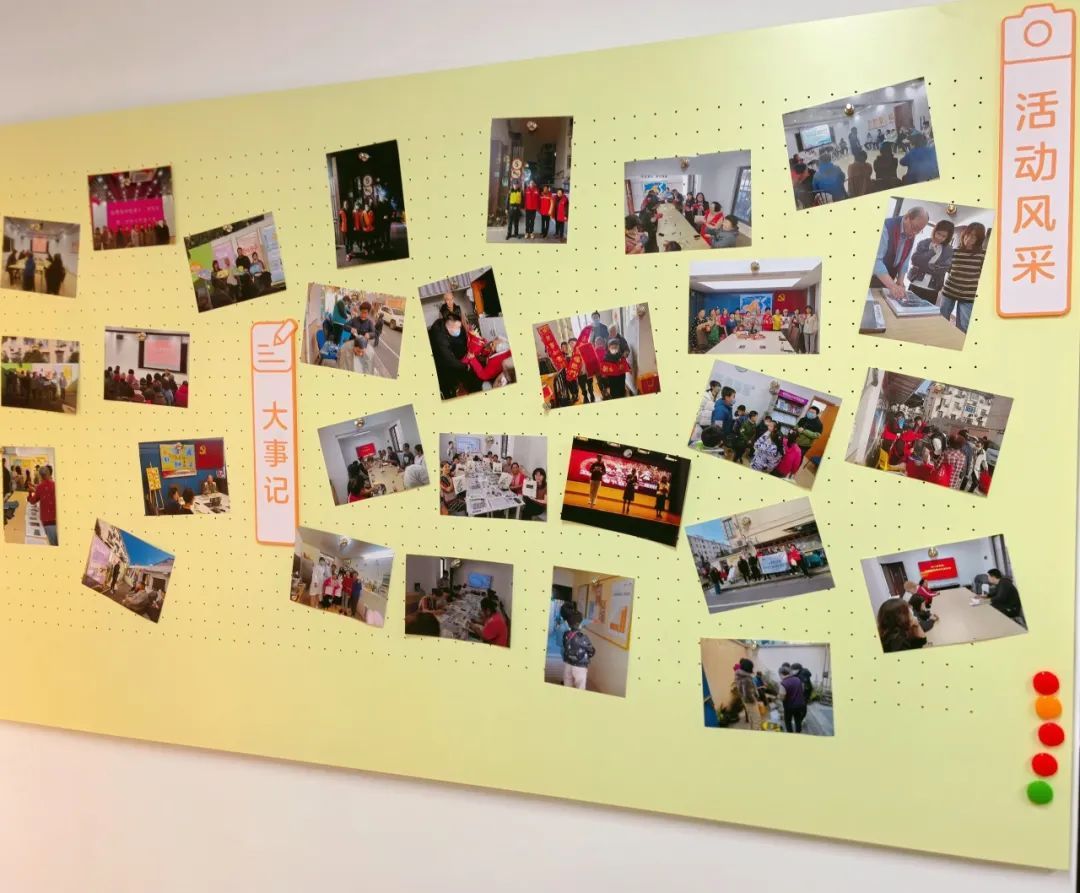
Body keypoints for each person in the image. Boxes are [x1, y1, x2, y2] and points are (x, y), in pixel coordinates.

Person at [872, 206, 930, 300]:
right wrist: (893, 286)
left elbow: (905, 260)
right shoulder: (886, 226)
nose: (914, 233)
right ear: (907, 217)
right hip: (873, 277)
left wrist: (900, 281)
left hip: (888, 279)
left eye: (919, 231)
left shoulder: (911, 234)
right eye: (914, 227)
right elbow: (876, 260)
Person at [938, 222, 987, 333]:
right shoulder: (954, 252)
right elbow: (948, 270)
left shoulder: (983, 255)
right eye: (968, 234)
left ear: (979, 239)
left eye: (974, 237)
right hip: (949, 291)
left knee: (963, 326)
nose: (968, 239)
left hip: (968, 295)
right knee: (941, 319)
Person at [429, 312, 481, 398]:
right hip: (440, 364)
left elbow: (459, 341)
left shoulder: (443, 323)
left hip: (449, 357)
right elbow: (449, 360)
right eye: (458, 328)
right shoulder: (440, 338)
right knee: (446, 383)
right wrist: (465, 366)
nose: (459, 330)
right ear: (450, 328)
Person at [908, 219, 955, 304]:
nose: (939, 237)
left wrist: (923, 266)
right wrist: (931, 252)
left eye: (944, 236)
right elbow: (914, 260)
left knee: (926, 312)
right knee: (908, 308)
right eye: (938, 233)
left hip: (933, 288)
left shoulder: (949, 250)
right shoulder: (923, 243)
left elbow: (943, 269)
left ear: (948, 237)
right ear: (935, 231)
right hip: (916, 282)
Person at [560, 608, 595, 690]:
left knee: (567, 683)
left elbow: (565, 645)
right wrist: (589, 654)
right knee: (580, 686)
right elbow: (591, 651)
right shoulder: (582, 637)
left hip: (568, 663)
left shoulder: (566, 634)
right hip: (580, 666)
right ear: (579, 624)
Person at [26, 465, 57, 545]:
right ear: (49, 473)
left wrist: (29, 494)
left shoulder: (40, 486)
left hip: (46, 520)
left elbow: (32, 501)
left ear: (40, 476)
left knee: (51, 543)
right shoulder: (55, 485)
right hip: (55, 518)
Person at [734, 658, 763, 731]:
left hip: (745, 701)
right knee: (756, 719)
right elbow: (748, 695)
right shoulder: (746, 679)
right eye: (751, 667)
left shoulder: (739, 675)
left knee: (751, 718)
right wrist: (754, 700)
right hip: (750, 701)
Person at [778, 666, 807, 733]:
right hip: (800, 705)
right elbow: (802, 690)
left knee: (788, 721)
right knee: (798, 720)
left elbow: (782, 697)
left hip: (789, 707)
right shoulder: (798, 679)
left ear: (781, 674)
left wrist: (778, 696)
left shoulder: (783, 683)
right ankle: (798, 733)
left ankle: (790, 734)